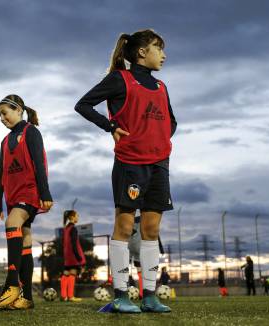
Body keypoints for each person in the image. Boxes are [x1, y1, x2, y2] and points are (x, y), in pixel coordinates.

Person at [75, 29, 176, 314]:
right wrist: (110, 127)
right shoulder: (121, 79)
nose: (164, 55)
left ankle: (150, 296)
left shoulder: (162, 87)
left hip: (159, 165)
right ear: (142, 52)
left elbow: (172, 121)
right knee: (124, 226)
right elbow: (83, 104)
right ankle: (121, 295)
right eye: (159, 48)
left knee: (152, 230)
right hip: (130, 163)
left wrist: (161, 139)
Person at [0, 94, 53, 310]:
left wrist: (45, 193)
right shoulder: (4, 141)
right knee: (25, 240)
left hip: (30, 192)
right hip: (12, 196)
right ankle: (26, 297)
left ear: (18, 110)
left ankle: (11, 284)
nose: (2, 118)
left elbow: (39, 163)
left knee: (12, 222)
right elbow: (0, 173)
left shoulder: (31, 132)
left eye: (4, 113)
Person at [61, 210, 86, 302]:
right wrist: (78, 257)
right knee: (73, 274)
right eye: (77, 216)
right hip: (72, 255)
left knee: (66, 273)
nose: (78, 217)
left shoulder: (66, 228)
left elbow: (63, 243)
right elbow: (74, 244)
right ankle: (71, 296)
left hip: (67, 255)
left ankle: (64, 296)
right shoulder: (73, 229)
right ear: (72, 217)